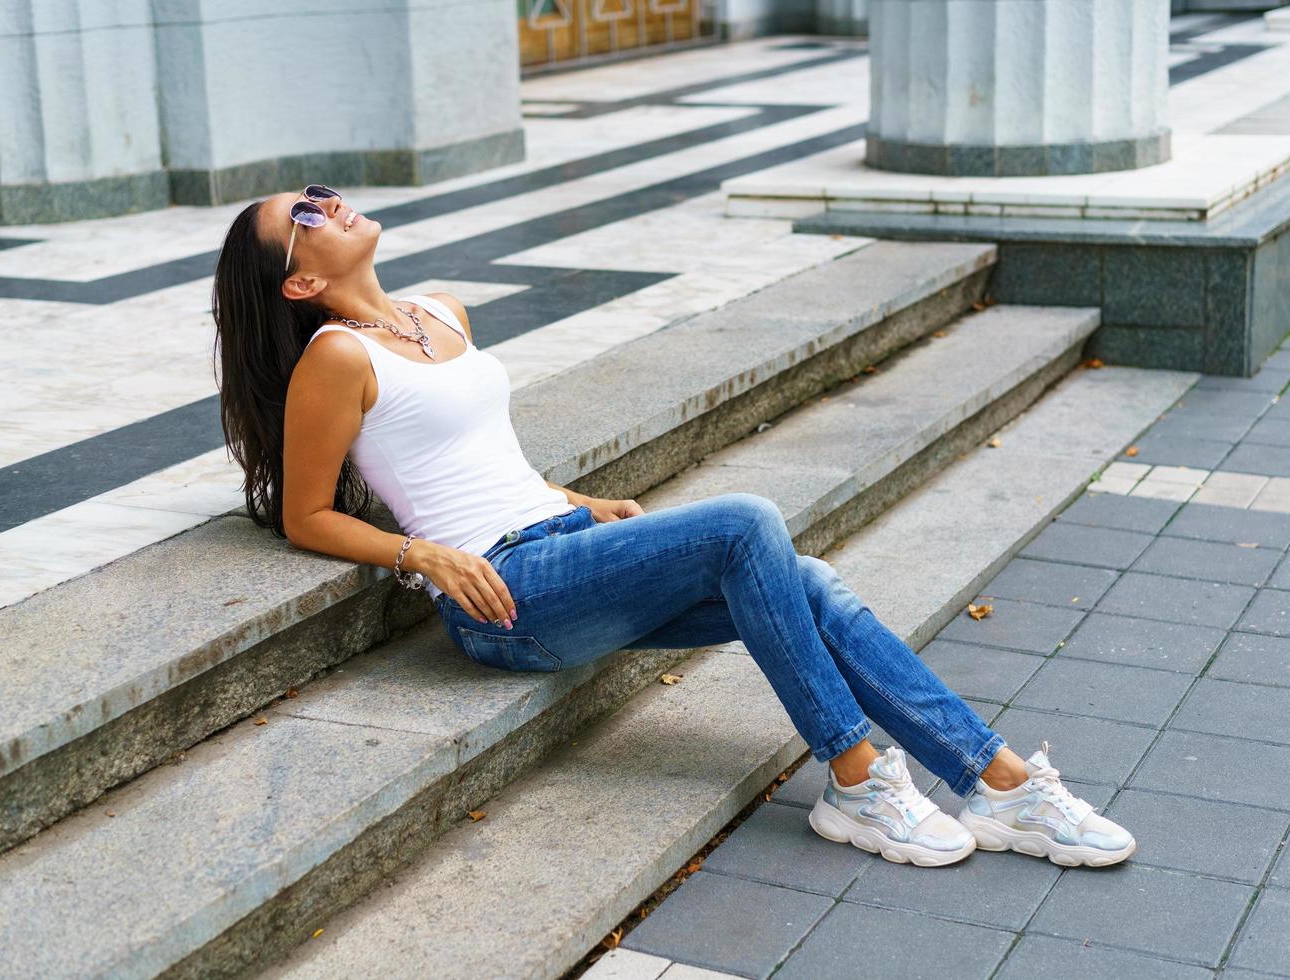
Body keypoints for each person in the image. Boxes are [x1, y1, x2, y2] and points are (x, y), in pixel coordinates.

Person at [210, 183, 1137, 869]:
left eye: (322, 195)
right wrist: (419, 555)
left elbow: (481, 458)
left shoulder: (441, 311)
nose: (328, 206)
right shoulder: (335, 356)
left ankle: (1001, 785)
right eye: (303, 217)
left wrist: (576, 502)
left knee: (805, 580)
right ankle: (857, 779)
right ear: (297, 286)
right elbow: (307, 516)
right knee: (745, 523)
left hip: (563, 550)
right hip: (506, 595)